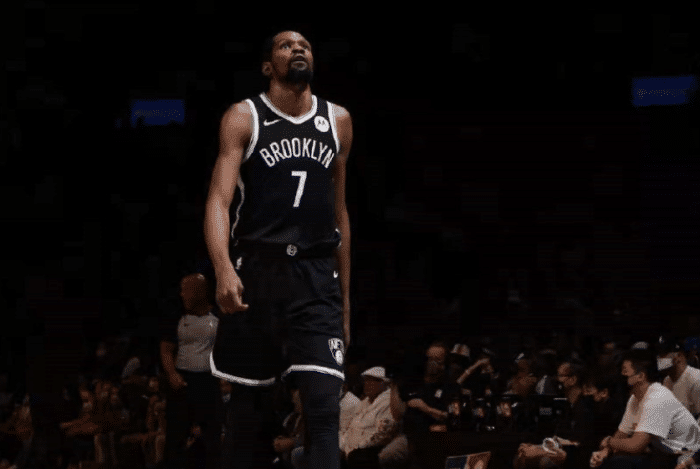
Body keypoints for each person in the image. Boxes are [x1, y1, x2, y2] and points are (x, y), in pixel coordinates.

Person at [204, 29, 352, 469]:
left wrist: (345, 302)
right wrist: (223, 268)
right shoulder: (243, 116)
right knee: (247, 412)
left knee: (323, 409)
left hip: (316, 276)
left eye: (305, 44)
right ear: (268, 66)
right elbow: (218, 201)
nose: (298, 48)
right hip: (258, 273)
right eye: (286, 45)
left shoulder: (338, 120)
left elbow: (340, 214)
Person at [589, 349, 700, 469]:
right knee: (614, 460)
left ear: (640, 376)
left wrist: (609, 441)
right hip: (664, 453)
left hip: (689, 455)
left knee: (619, 462)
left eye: (625, 371)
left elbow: (636, 445)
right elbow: (622, 434)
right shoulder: (634, 398)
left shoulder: (657, 397)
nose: (621, 376)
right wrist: (604, 453)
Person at [159, 273, 222, 469]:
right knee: (176, 436)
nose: (182, 294)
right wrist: (172, 374)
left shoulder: (219, 317)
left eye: (185, 290)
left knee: (210, 435)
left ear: (200, 291)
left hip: (209, 382)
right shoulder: (176, 317)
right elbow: (166, 349)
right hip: (183, 382)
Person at [339, 367, 398, 469]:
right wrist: (342, 446)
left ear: (383, 383)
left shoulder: (389, 402)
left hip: (364, 455)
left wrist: (357, 449)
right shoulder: (365, 402)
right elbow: (349, 428)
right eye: (365, 380)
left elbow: (382, 435)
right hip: (348, 451)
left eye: (371, 381)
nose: (366, 384)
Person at [657, 337, 700, 419]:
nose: (659, 358)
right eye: (658, 355)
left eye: (663, 354)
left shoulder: (696, 378)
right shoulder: (667, 381)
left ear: (679, 356)